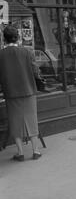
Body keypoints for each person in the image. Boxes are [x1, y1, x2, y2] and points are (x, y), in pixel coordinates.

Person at [0, 25, 42, 161]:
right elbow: (35, 71)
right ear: (17, 37)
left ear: (4, 39)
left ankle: (20, 153)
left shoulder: (1, 55)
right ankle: (36, 151)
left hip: (11, 92)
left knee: (15, 121)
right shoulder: (27, 51)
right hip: (28, 89)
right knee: (32, 119)